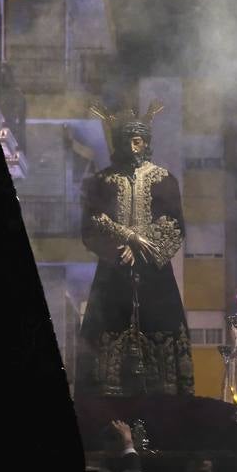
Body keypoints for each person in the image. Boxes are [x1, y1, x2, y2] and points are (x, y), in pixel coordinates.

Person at [76, 103, 194, 398]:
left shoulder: (164, 180)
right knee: (106, 335)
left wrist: (140, 246)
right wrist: (120, 247)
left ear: (146, 142)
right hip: (113, 272)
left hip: (154, 274)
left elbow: (173, 225)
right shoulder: (101, 181)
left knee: (162, 338)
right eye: (126, 140)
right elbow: (91, 224)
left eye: (137, 140)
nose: (132, 146)